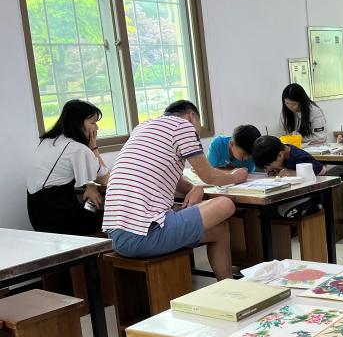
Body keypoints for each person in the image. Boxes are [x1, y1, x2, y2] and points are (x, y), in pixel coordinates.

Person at [102, 101, 247, 280]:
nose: (196, 135)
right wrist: (235, 177)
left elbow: (174, 180)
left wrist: (194, 188)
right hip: (146, 234)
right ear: (192, 117)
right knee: (226, 204)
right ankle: (228, 287)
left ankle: (226, 285)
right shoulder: (183, 126)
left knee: (219, 229)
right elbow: (209, 176)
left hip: (118, 236)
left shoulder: (143, 127)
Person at [26, 99, 109, 235]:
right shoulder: (77, 148)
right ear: (78, 123)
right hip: (59, 219)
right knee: (113, 218)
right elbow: (105, 179)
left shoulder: (48, 141)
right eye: (93, 123)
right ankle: (103, 247)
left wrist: (90, 186)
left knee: (92, 204)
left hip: (39, 215)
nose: (97, 128)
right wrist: (93, 147)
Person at [251, 135, 326, 177]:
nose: (269, 168)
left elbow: (322, 170)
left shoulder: (299, 157)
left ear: (280, 155)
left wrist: (295, 173)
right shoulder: (280, 151)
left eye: (269, 165)